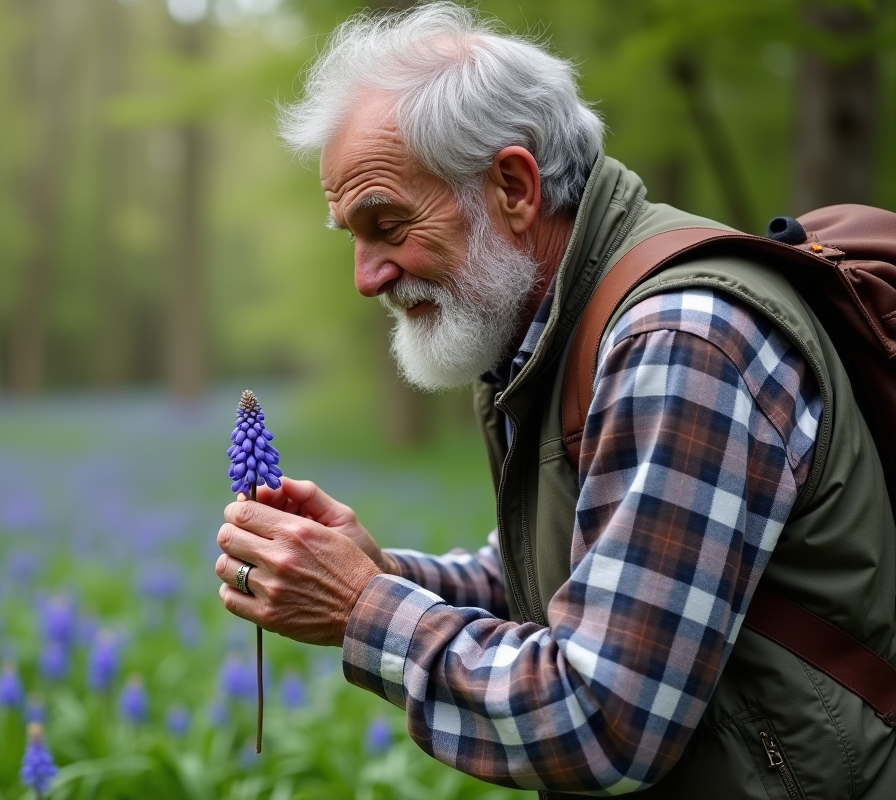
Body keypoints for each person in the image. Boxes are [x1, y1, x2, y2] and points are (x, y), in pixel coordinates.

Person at [212, 3, 896, 797]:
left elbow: (602, 719)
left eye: (388, 224)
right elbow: (582, 573)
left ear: (513, 185)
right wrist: (384, 570)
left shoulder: (679, 340)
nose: (367, 276)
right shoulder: (556, 326)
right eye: (353, 236)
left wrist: (363, 608)